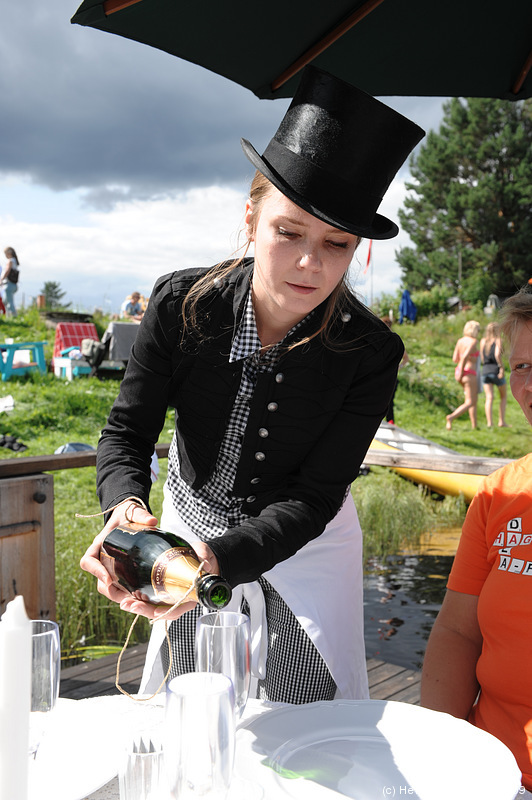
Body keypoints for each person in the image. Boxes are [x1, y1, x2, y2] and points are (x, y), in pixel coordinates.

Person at [80, 66, 424, 704]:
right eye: (288, 232)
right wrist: (126, 515)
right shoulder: (183, 302)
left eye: (336, 243)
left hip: (307, 545)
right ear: (251, 216)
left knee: (310, 719)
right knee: (196, 702)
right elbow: (127, 433)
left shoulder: (371, 352)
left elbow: (316, 497)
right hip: (187, 519)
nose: (308, 263)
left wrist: (220, 559)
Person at [421, 286, 532, 795]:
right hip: (489, 768)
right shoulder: (500, 493)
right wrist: (443, 752)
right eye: (521, 367)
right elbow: (457, 633)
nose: (528, 384)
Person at [446, 320, 480, 430]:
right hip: (468, 373)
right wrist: (468, 362)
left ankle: (474, 425)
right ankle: (451, 417)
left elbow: (455, 358)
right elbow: (465, 356)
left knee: (472, 399)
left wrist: (460, 371)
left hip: (459, 371)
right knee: (470, 401)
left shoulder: (460, 341)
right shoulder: (473, 341)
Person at [381, 316, 409, 424]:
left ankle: (390, 422)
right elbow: (406, 359)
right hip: (387, 376)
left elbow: (406, 358)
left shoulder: (391, 340)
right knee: (387, 402)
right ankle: (388, 422)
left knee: (388, 402)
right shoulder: (393, 340)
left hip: (387, 376)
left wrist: (398, 367)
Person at [480, 321, 508, 428]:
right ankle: (501, 421)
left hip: (485, 371)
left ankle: (489, 423)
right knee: (503, 397)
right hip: (496, 371)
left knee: (489, 397)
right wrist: (501, 368)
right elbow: (497, 355)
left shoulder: (483, 341)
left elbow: (483, 358)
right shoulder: (499, 340)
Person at [1, 247, 20, 317]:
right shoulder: (14, 260)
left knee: (9, 302)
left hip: (9, 284)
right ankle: (8, 317)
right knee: (5, 301)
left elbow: (7, 271)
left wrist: (1, 279)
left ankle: (14, 317)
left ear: (8, 253)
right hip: (12, 285)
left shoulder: (10, 260)